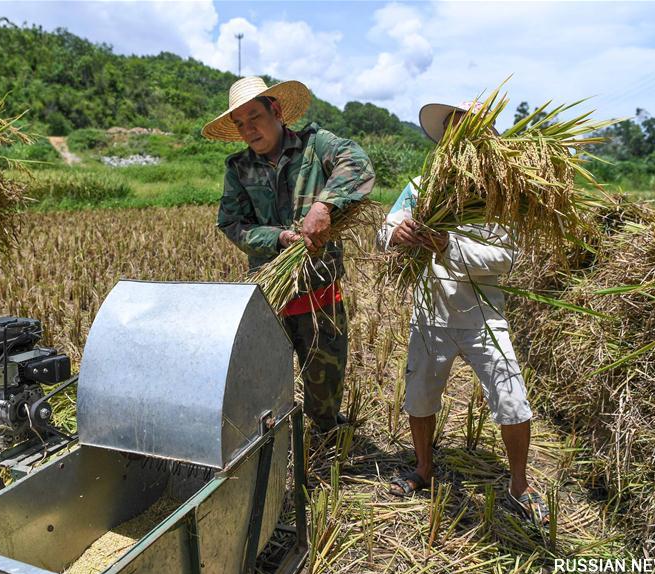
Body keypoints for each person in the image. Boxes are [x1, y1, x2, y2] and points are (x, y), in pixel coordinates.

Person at [378, 100, 548, 525]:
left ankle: (519, 485)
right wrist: (396, 233)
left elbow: (505, 259)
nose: (461, 139)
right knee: (419, 396)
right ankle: (423, 468)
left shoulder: (499, 196)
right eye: (453, 131)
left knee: (512, 401)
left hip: (484, 319)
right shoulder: (422, 187)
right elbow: (384, 230)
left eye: (470, 131)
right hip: (430, 313)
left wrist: (446, 246)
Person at [204, 76, 375, 432]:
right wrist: (277, 238)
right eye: (240, 124)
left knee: (324, 388)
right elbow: (232, 223)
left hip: (320, 297)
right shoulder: (239, 169)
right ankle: (274, 451)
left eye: (255, 117)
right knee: (266, 387)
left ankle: (326, 440)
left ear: (277, 111)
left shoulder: (317, 146)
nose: (249, 129)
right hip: (271, 298)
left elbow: (357, 163)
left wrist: (325, 205)